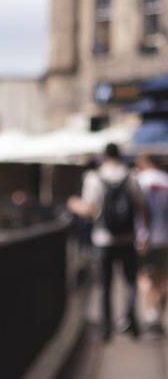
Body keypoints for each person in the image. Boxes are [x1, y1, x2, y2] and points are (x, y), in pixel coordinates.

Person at [67, 143, 148, 341]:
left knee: (106, 285)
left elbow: (89, 209)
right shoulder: (131, 176)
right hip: (128, 237)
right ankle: (130, 320)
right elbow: (141, 206)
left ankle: (106, 327)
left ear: (103, 156)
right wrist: (145, 233)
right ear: (120, 156)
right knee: (130, 282)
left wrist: (74, 205)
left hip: (103, 239)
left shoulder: (94, 178)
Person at [135, 153, 168, 335]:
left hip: (143, 238)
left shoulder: (139, 181)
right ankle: (159, 317)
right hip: (165, 237)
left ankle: (150, 315)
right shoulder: (166, 181)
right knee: (163, 278)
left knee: (145, 276)